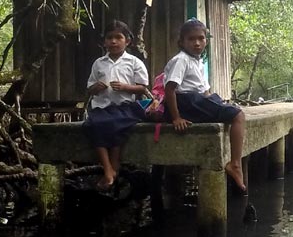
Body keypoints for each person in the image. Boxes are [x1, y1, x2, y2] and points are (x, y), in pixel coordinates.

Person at [163, 18, 247, 194]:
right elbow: (169, 89)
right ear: (181, 42)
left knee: (225, 106)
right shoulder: (181, 60)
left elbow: (206, 92)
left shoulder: (197, 61)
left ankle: (235, 164)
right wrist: (176, 118)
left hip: (196, 100)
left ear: (206, 41)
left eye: (201, 38)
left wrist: (217, 104)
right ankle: (235, 164)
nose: (197, 43)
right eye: (191, 39)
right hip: (186, 103)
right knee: (238, 115)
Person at [83, 20, 150, 189]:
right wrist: (96, 87)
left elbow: (142, 87)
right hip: (102, 107)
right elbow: (90, 88)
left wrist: (126, 87)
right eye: (109, 38)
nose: (113, 41)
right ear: (104, 41)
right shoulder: (99, 63)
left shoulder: (134, 62)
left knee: (116, 125)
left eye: (118, 37)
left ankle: (113, 166)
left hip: (124, 107)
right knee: (93, 125)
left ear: (127, 41)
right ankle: (108, 169)